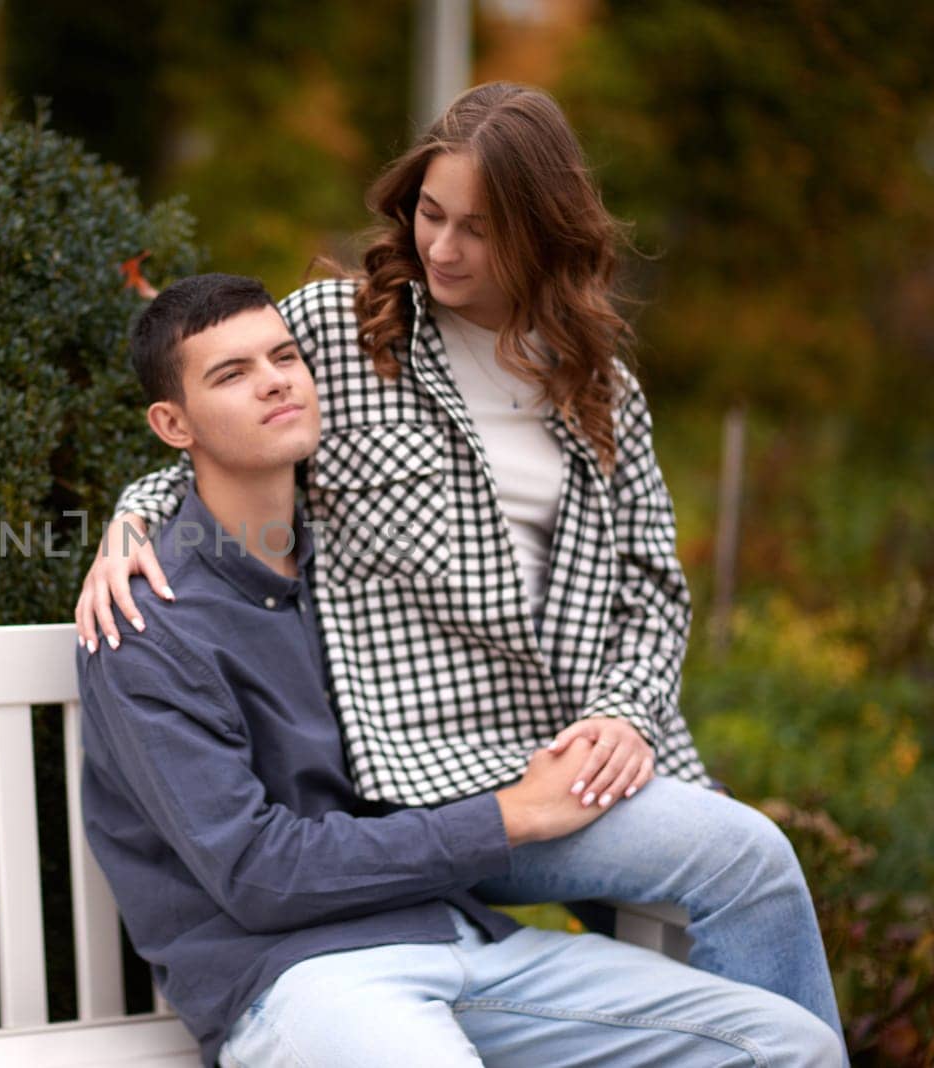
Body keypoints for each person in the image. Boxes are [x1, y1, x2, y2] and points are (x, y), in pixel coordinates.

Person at [77, 83, 846, 1047]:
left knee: (750, 858)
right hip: (415, 774)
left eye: (478, 229)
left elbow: (653, 589)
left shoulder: (600, 387)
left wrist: (624, 711)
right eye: (430, 215)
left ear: (543, 232)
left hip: (565, 748)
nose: (442, 249)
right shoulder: (342, 331)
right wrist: (131, 522)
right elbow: (223, 419)